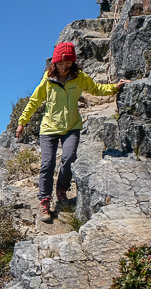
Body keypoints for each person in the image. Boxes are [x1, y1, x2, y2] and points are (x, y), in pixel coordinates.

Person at [16, 42, 130, 223]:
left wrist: (114, 87)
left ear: (72, 63)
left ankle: (62, 190)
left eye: (67, 63)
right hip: (49, 129)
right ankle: (44, 200)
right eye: (60, 64)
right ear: (54, 63)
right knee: (47, 164)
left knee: (68, 158)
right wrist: (22, 122)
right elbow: (34, 101)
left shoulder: (79, 78)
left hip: (71, 127)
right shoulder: (48, 80)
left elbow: (96, 89)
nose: (63, 67)